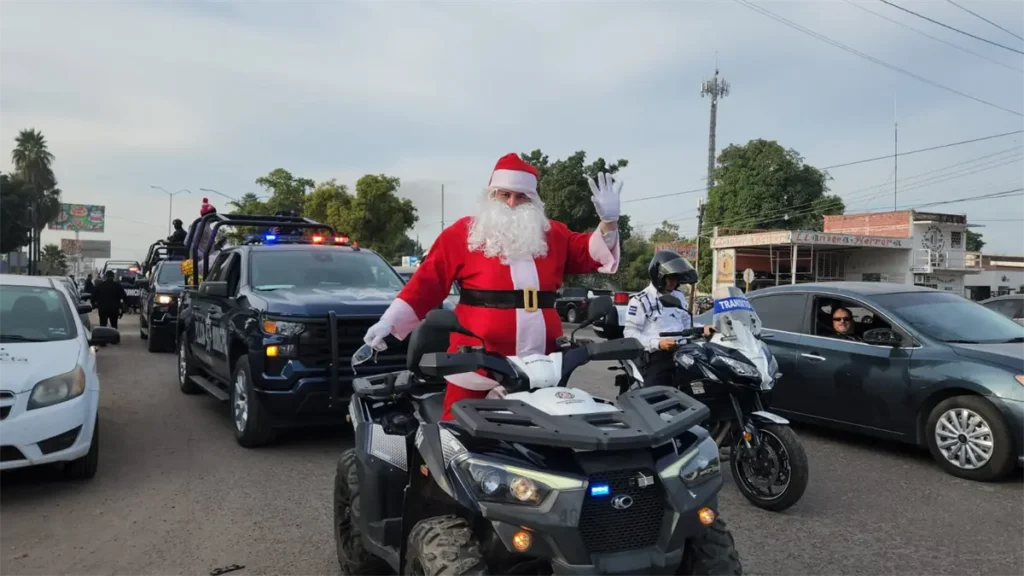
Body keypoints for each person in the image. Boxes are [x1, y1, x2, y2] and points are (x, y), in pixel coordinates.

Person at [362, 152, 622, 420]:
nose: (512, 203)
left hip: (542, 363)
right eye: (504, 194)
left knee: (548, 434)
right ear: (491, 195)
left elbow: (589, 253)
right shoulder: (462, 234)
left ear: (533, 200)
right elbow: (426, 283)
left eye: (521, 197)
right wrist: (389, 323)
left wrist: (608, 222)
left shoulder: (552, 233)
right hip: (476, 362)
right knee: (459, 432)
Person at [623, 250, 714, 389]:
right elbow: (630, 333)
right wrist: (658, 344)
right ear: (659, 276)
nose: (674, 282)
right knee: (655, 395)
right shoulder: (641, 300)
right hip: (657, 356)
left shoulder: (678, 296)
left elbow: (686, 323)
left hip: (683, 352)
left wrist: (704, 327)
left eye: (676, 278)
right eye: (670, 277)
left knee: (703, 386)